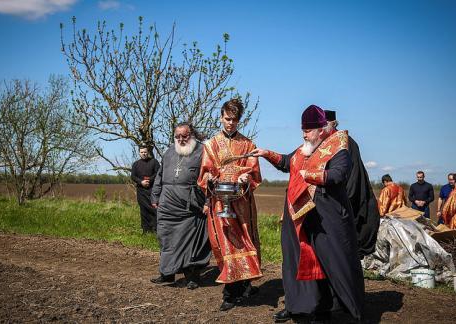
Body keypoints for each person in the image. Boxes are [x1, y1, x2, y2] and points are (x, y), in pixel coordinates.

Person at [253, 105, 364, 323]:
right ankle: (298, 307)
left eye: (309, 129)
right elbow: (287, 162)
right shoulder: (304, 149)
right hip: (298, 216)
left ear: (321, 129)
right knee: (296, 260)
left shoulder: (337, 148)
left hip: (326, 217)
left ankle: (331, 308)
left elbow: (339, 175)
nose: (304, 133)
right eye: (303, 129)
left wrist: (309, 174)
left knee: (328, 262)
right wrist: (266, 154)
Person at [197, 98, 263, 311]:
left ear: (239, 120)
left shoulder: (248, 145)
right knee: (224, 244)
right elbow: (205, 172)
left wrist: (246, 179)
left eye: (234, 120)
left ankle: (245, 285)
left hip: (242, 203)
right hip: (219, 202)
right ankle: (229, 293)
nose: (230, 123)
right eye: (227, 119)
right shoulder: (211, 145)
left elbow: (254, 173)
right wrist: (209, 178)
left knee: (245, 241)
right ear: (220, 117)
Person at [150, 123, 211, 289]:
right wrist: (155, 196)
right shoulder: (169, 151)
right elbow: (160, 176)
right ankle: (167, 273)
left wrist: (208, 202)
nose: (181, 139)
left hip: (190, 206)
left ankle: (193, 277)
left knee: (190, 242)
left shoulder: (203, 151)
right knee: (166, 238)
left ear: (192, 134)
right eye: (177, 136)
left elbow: (211, 179)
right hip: (167, 203)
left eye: (184, 136)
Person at [324, 110, 380, 259]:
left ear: (333, 124)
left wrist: (342, 199)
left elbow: (352, 173)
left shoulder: (344, 141)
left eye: (324, 124)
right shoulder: (326, 141)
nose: (321, 128)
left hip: (348, 193)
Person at [131, 146, 160, 233]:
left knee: (153, 209)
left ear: (148, 153)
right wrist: (141, 182)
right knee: (143, 210)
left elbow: (158, 173)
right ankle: (145, 230)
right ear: (139, 153)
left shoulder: (154, 162)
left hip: (152, 190)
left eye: (145, 152)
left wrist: (149, 180)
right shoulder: (136, 164)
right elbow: (133, 176)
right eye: (142, 152)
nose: (143, 154)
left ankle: (155, 229)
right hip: (141, 191)